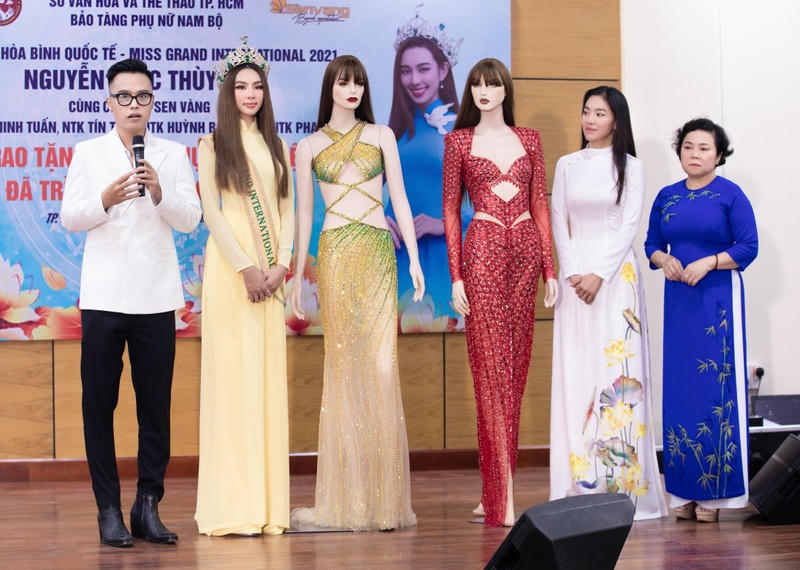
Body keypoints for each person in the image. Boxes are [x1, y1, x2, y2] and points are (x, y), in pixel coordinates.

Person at [61, 58, 201, 547]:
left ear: (153, 102)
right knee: (98, 405)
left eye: (142, 96)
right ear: (110, 103)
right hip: (104, 297)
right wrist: (104, 199)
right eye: (124, 96)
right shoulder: (88, 153)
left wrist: (160, 193)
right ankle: (108, 510)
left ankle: (148, 505)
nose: (133, 105)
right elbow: (70, 217)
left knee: (155, 408)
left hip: (156, 297)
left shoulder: (173, 154)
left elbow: (190, 219)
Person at [290, 55, 424, 531]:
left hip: (378, 252)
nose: (352, 89)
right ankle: (347, 500)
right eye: (344, 82)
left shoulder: (382, 135)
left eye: (359, 83)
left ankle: (385, 501)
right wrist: (295, 275)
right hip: (335, 255)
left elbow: (400, 197)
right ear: (330, 86)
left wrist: (413, 257)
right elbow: (304, 215)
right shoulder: (308, 146)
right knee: (344, 367)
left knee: (382, 367)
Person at [442, 58, 557, 527]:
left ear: (506, 89)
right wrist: (456, 276)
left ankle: (497, 482)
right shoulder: (458, 142)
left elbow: (540, 204)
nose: (484, 91)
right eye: (476, 85)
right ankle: (501, 494)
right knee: (490, 369)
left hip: (526, 254)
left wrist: (550, 267)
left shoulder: (529, 139)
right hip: (483, 251)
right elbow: (450, 211)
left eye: (492, 84)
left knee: (516, 367)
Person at [548, 86, 667, 520]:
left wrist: (599, 274)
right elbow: (559, 221)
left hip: (616, 280)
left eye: (599, 113)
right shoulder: (567, 164)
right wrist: (574, 272)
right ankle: (578, 483)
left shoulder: (631, 167)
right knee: (577, 371)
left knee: (618, 373)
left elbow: (629, 225)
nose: (590, 119)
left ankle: (623, 488)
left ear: (617, 120)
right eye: (586, 111)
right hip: (575, 282)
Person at [194, 38, 294, 536]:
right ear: (227, 92)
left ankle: (268, 507)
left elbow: (287, 209)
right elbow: (212, 213)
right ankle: (233, 504)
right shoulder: (212, 145)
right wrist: (247, 269)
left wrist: (281, 265)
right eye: (241, 86)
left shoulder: (277, 146)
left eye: (257, 86)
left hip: (270, 277)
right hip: (233, 277)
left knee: (265, 383)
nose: (250, 94)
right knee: (232, 382)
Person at [645, 118, 758, 523]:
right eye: (688, 147)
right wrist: (665, 259)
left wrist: (710, 262)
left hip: (718, 302)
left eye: (704, 148)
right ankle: (683, 492)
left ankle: (715, 496)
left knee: (715, 388)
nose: (694, 154)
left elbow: (748, 247)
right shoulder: (667, 196)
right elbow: (651, 244)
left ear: (719, 154)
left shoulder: (731, 195)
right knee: (681, 389)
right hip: (679, 301)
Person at [386, 8, 466, 327]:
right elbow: (365, 189)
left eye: (423, 69)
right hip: (397, 252)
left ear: (443, 70)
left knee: (443, 329)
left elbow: (489, 203)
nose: (415, 80)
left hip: (443, 252)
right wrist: (378, 217)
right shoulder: (392, 132)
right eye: (406, 71)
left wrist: (443, 224)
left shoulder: (462, 129)